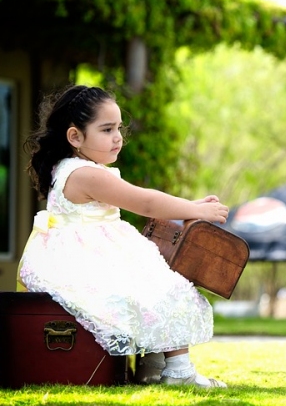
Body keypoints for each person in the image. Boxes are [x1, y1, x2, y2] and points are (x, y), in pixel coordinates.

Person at [19, 84, 230, 389]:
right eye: (106, 130)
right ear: (75, 136)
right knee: (162, 286)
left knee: (152, 283)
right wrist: (195, 210)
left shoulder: (77, 168)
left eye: (119, 127)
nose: (118, 137)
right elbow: (143, 201)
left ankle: (153, 366)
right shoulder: (85, 174)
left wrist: (192, 206)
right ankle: (178, 370)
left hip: (86, 250)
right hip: (82, 257)